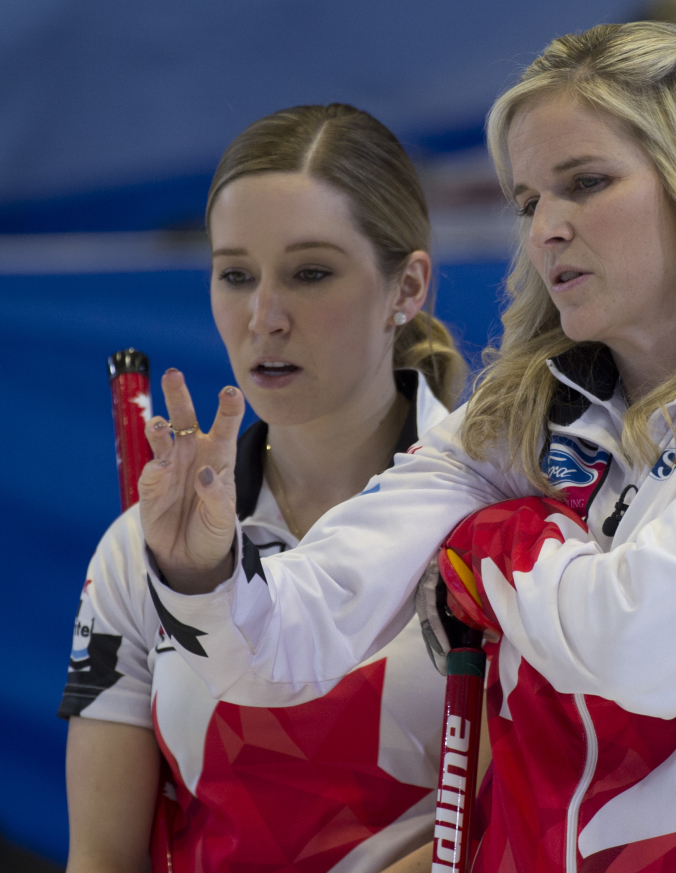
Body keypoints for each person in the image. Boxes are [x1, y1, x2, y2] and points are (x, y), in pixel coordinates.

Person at [138, 23, 676, 872]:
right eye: (528, 201)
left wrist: (501, 540)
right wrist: (205, 571)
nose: (547, 229)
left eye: (586, 183)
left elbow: (649, 644)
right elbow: (289, 643)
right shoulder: (529, 410)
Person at [60, 104, 467, 873]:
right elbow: (103, 856)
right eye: (236, 274)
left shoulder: (507, 522)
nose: (264, 317)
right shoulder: (142, 550)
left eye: (311, 273)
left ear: (407, 286)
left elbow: (533, 824)